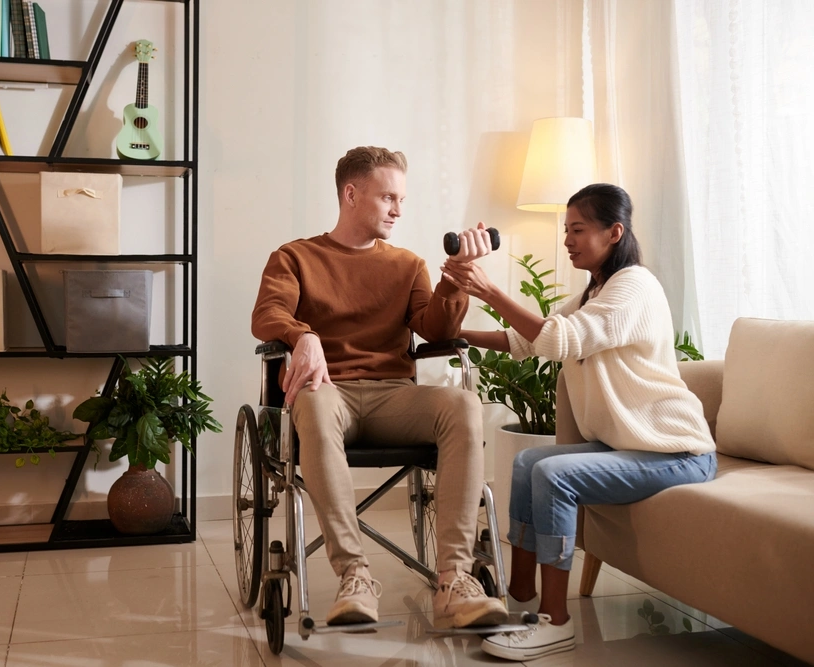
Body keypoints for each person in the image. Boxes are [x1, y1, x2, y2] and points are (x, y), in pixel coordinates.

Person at [440, 183, 717, 660]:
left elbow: (558, 341)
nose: (567, 240)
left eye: (578, 230)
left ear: (614, 232)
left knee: (551, 471)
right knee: (529, 461)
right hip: (629, 447)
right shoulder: (597, 289)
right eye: (565, 230)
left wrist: (491, 291)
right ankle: (522, 597)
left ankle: (555, 620)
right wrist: (455, 334)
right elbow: (525, 341)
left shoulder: (634, 285)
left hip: (676, 453)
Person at [251, 146, 509, 629]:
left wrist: (453, 279)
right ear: (351, 194)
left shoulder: (407, 264)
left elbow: (435, 329)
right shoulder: (295, 257)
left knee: (463, 405)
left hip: (394, 395)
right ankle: (354, 575)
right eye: (388, 197)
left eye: (402, 199)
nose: (398, 209)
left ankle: (453, 578)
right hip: (329, 395)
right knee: (310, 399)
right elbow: (267, 315)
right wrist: (302, 335)